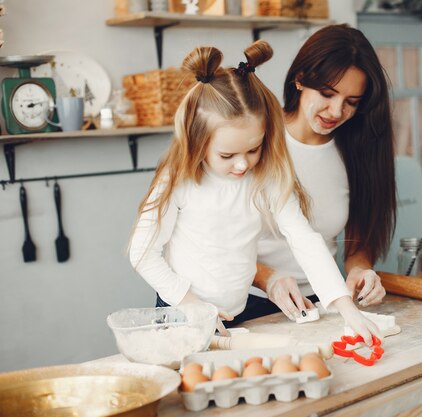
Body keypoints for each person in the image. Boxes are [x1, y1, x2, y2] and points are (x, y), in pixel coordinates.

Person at [128, 40, 380, 344]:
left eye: (253, 149)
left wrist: (347, 309)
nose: (242, 164)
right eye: (226, 155)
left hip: (238, 311)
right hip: (182, 312)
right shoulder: (178, 180)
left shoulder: (266, 178)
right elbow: (142, 253)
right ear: (197, 141)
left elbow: (304, 240)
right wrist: (191, 305)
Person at [244, 24, 397, 321]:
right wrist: (267, 279)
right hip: (243, 303)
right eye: (327, 94)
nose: (336, 111)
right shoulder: (254, 139)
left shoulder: (356, 151)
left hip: (318, 305)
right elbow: (211, 238)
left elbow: (358, 239)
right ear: (301, 79)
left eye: (352, 102)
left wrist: (359, 270)